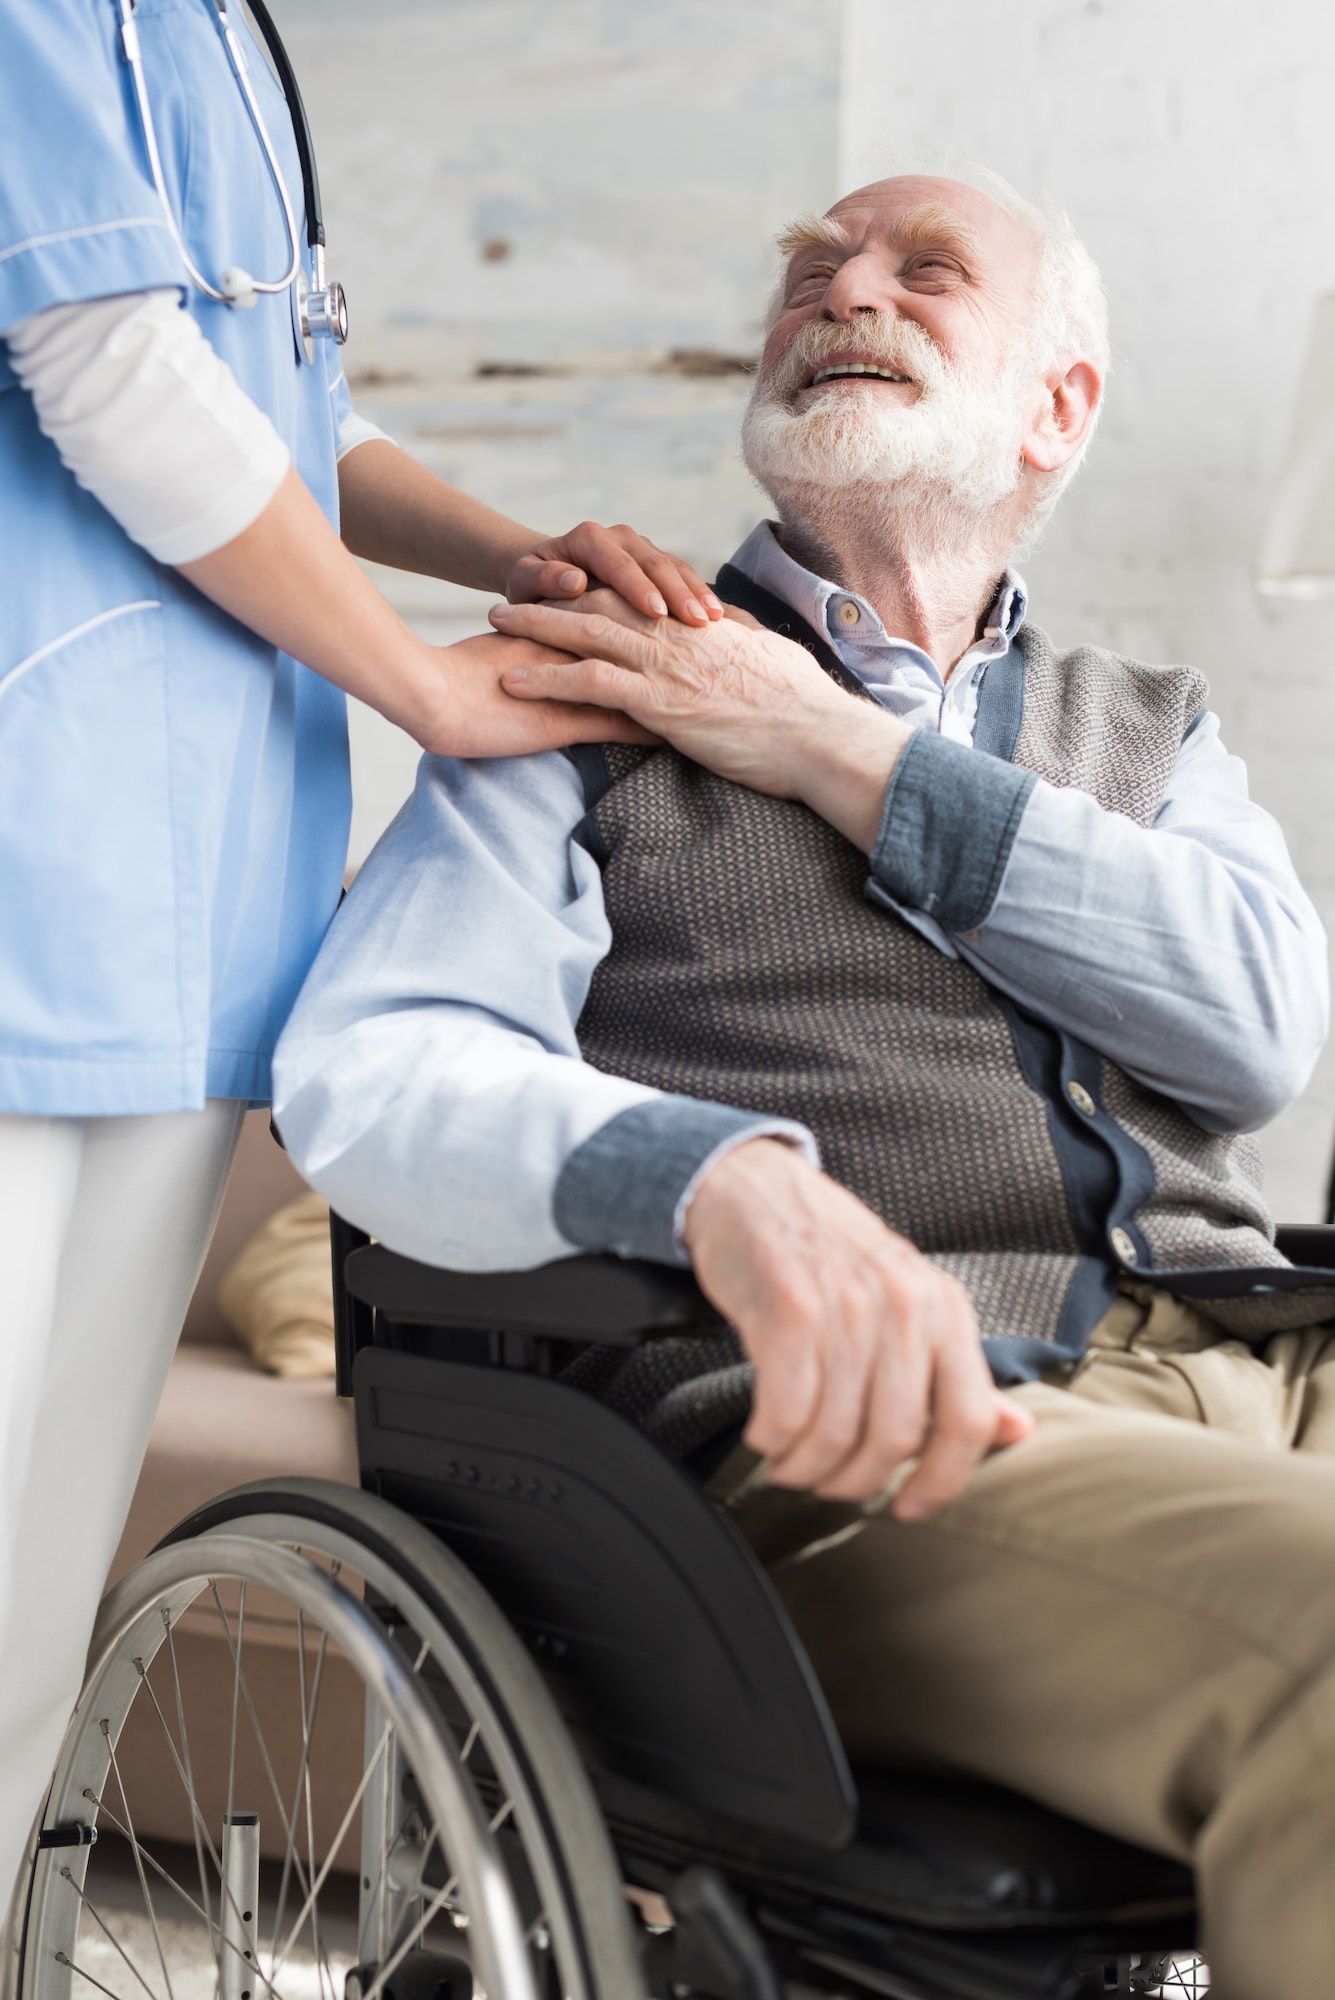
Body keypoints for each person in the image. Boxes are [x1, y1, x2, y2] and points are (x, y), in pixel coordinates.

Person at [275, 170, 1334, 1996]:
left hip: (1263, 1361)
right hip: (895, 1434)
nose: (843, 290)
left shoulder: (1153, 731)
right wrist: (715, 1180)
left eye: (924, 271)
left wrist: (836, 747)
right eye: (810, 271)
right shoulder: (583, 681)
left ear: (1057, 407)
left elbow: (1249, 1028)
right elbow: (377, 1073)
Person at [0, 0, 718, 1900]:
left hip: (190, 913)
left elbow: (289, 399)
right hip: (32, 858)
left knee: (26, 1639)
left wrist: (520, 562)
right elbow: (105, 362)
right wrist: (421, 686)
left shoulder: (219, 29)